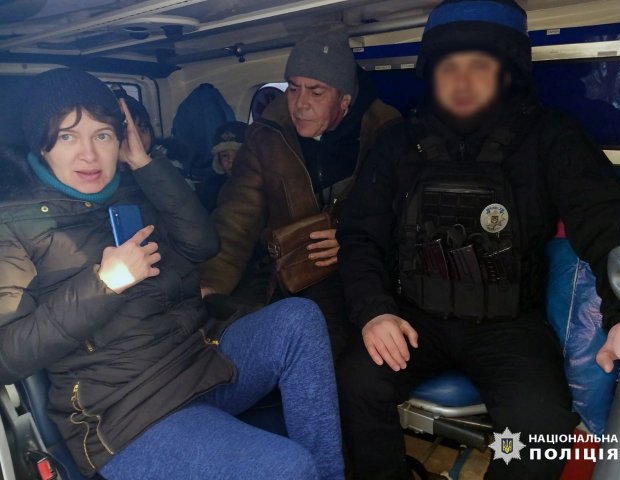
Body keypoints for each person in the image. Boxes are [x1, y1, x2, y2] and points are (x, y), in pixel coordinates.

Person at [335, 1, 620, 479]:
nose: (461, 81)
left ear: (506, 72)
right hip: (414, 317)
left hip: (509, 325)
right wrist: (374, 311)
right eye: (449, 67)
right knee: (354, 382)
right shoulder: (396, 142)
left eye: (478, 65)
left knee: (543, 431)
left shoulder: (551, 136)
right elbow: (359, 234)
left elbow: (605, 224)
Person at [0, 68, 343, 480]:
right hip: (127, 412)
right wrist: (103, 285)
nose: (89, 155)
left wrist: (146, 164)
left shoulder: (134, 188)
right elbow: (7, 355)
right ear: (42, 145)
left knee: (299, 319)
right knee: (289, 467)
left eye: (103, 135)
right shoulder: (13, 226)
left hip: (199, 362)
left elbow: (203, 245)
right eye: (68, 137)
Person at [199, 28, 401, 359]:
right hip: (284, 274)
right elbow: (236, 219)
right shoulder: (266, 136)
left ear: (345, 100)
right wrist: (209, 284)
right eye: (293, 88)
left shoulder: (385, 133)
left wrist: (352, 237)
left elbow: (402, 214)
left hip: (360, 272)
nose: (300, 104)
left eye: (316, 92)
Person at [198, 121, 248, 212]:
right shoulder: (211, 189)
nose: (231, 160)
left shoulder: (263, 186)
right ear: (218, 161)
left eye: (237, 153)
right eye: (224, 155)